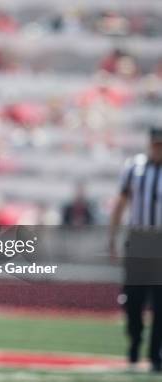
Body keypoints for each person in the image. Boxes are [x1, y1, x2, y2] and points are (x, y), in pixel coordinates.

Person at [109, 126, 162, 373]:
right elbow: (121, 202)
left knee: (160, 302)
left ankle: (155, 355)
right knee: (133, 299)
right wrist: (112, 237)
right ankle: (134, 342)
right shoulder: (135, 168)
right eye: (156, 144)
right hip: (139, 240)